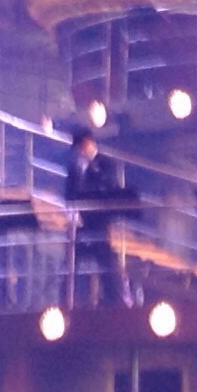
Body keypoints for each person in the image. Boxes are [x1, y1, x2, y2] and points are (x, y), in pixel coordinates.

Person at [63, 129, 126, 305]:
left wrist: (93, 169)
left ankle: (115, 301)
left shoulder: (105, 164)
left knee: (106, 263)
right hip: (81, 224)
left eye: (83, 146)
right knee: (71, 262)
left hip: (99, 222)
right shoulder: (75, 167)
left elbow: (110, 188)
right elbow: (69, 192)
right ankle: (69, 299)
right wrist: (72, 213)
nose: (81, 151)